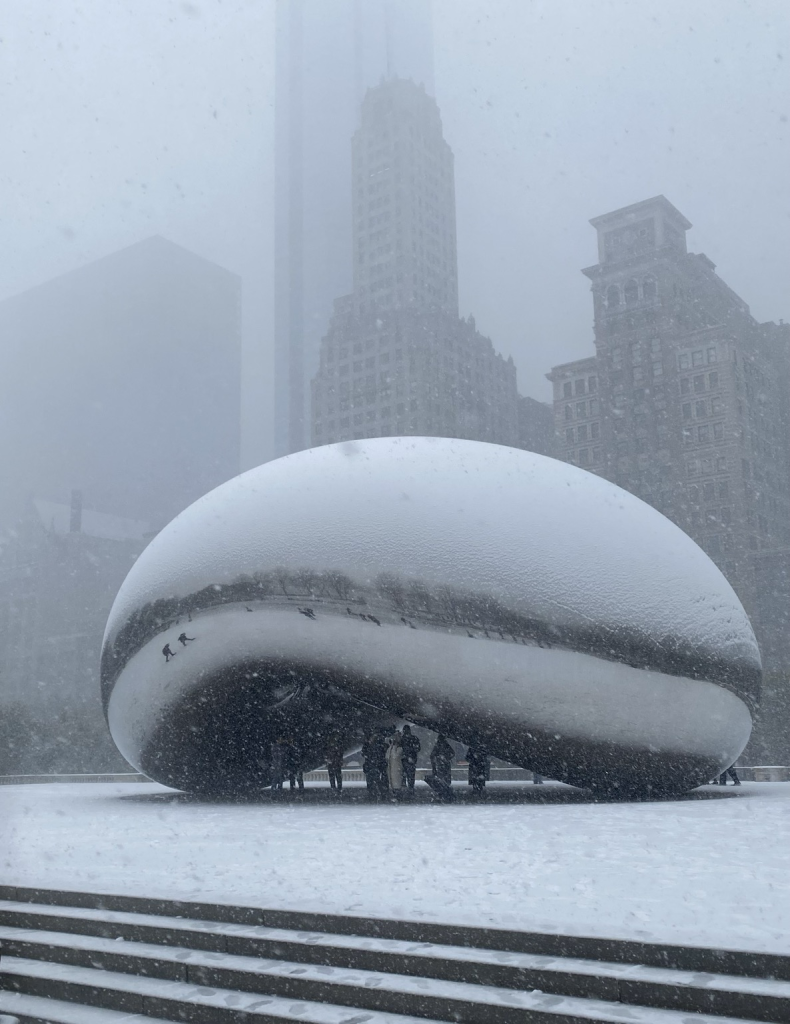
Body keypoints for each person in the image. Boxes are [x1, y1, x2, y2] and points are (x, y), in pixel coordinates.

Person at [424, 733, 455, 801]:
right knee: (442, 781)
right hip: (440, 766)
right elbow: (432, 756)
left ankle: (444, 794)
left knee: (442, 781)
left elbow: (452, 753)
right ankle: (444, 794)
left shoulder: (444, 746)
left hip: (442, 766)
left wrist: (445, 758)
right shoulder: (440, 746)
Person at [400, 725, 421, 792]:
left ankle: (406, 789)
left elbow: (417, 748)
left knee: (405, 776)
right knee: (410, 776)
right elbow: (417, 748)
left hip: (405, 760)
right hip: (409, 760)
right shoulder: (413, 738)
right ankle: (410, 789)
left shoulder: (402, 739)